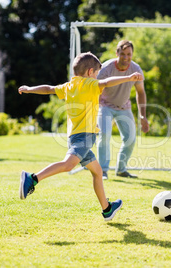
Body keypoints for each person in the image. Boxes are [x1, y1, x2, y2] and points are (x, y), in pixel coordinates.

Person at [18, 52, 143, 221]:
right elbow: (106, 82)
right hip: (84, 138)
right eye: (97, 73)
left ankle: (107, 209)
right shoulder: (90, 84)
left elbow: (49, 89)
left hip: (76, 137)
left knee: (98, 172)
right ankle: (32, 179)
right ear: (90, 72)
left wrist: (29, 89)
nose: (97, 77)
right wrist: (128, 78)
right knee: (69, 165)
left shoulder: (69, 86)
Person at [97, 40, 149, 180]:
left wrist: (142, 116)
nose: (126, 57)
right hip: (105, 106)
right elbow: (95, 90)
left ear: (132, 55)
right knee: (105, 135)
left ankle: (121, 169)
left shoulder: (136, 69)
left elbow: (141, 92)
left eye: (129, 54)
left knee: (130, 139)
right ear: (117, 53)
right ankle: (102, 171)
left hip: (124, 107)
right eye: (123, 54)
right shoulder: (106, 68)